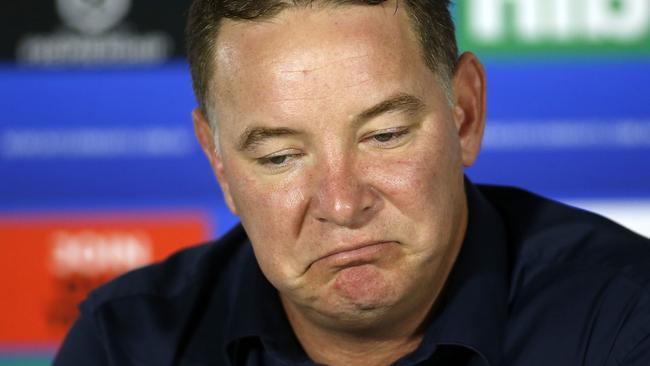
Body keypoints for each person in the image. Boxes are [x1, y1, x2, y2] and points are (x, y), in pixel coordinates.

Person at [54, 1, 650, 365]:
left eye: (384, 135)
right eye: (282, 156)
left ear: (464, 113)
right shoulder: (125, 344)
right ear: (217, 162)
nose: (341, 204)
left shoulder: (626, 317)